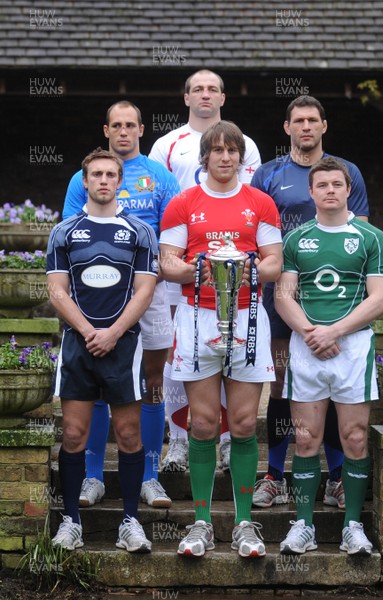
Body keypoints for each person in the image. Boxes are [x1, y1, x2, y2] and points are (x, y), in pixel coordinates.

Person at [159, 121, 282, 558]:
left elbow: (274, 263)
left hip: (247, 316)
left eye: (233, 150)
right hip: (197, 319)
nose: (225, 157)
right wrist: (199, 268)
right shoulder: (182, 203)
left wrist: (247, 268)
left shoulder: (260, 202)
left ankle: (246, 522)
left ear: (242, 157)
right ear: (205, 156)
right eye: (218, 150)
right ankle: (202, 523)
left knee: (246, 423)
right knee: (205, 424)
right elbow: (167, 263)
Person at [250, 95, 369, 510]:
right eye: (297, 120)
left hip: (335, 298)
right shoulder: (268, 174)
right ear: (287, 128)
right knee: (282, 383)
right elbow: (255, 234)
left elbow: (361, 238)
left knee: (336, 384)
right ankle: (275, 475)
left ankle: (336, 477)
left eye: (312, 120)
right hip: (282, 296)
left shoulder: (344, 172)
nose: (305, 126)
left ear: (323, 126)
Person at [63, 101, 180, 509]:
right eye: (117, 125)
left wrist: (149, 275)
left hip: (150, 291)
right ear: (106, 129)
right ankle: (92, 477)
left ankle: (150, 476)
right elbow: (70, 240)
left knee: (151, 385)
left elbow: (174, 233)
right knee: (96, 385)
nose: (124, 131)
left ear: (142, 129)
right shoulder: (86, 176)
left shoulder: (160, 175)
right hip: (97, 298)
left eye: (131, 125)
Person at [275, 156, 383, 555]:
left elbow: (379, 300)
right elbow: (283, 295)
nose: (329, 190)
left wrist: (336, 331)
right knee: (305, 440)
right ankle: (303, 525)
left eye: (336, 184)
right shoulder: (295, 239)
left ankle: (353, 527)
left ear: (347, 189)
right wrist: (311, 333)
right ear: (311, 192)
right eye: (321, 185)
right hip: (307, 348)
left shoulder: (371, 237)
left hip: (352, 348)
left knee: (354, 438)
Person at [150, 69, 262, 473]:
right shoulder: (166, 143)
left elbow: (247, 196)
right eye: (197, 88)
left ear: (223, 97)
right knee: (179, 357)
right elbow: (157, 196)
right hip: (182, 266)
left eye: (212, 88)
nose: (205, 94)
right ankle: (179, 441)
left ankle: (231, 440)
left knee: (232, 350)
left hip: (234, 273)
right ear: (186, 98)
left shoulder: (244, 144)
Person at [49, 148, 158, 552]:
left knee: (129, 434)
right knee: (74, 434)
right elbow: (57, 291)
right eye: (96, 174)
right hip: (78, 347)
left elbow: (145, 290)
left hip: (124, 346)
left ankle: (130, 522)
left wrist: (112, 332)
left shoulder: (140, 232)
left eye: (111, 174)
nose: (104, 181)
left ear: (119, 181)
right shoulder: (63, 231)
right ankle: (71, 522)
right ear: (86, 180)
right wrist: (89, 330)